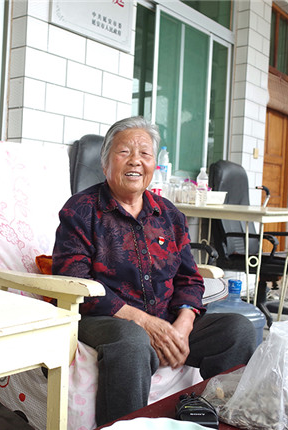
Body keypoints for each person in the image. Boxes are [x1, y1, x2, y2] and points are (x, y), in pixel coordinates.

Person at [52, 116, 256, 426]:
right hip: (106, 320)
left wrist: (183, 325)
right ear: (105, 163)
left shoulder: (169, 214)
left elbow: (189, 278)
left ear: (153, 165)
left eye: (145, 153)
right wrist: (145, 323)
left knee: (238, 330)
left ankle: (213, 418)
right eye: (124, 152)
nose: (135, 160)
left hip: (166, 319)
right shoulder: (81, 210)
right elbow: (73, 280)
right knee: (133, 341)